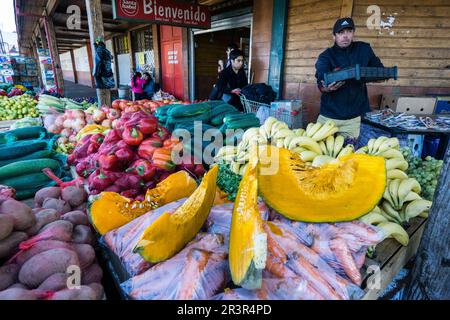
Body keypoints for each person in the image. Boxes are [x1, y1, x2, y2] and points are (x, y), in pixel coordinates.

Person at [314, 17, 384, 138]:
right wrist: (326, 87)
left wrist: (359, 75)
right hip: (328, 116)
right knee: (319, 151)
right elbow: (321, 77)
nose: (345, 36)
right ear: (334, 36)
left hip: (353, 118)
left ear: (353, 33)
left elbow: (380, 71)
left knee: (348, 153)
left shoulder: (364, 49)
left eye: (349, 31)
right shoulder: (325, 56)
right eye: (341, 32)